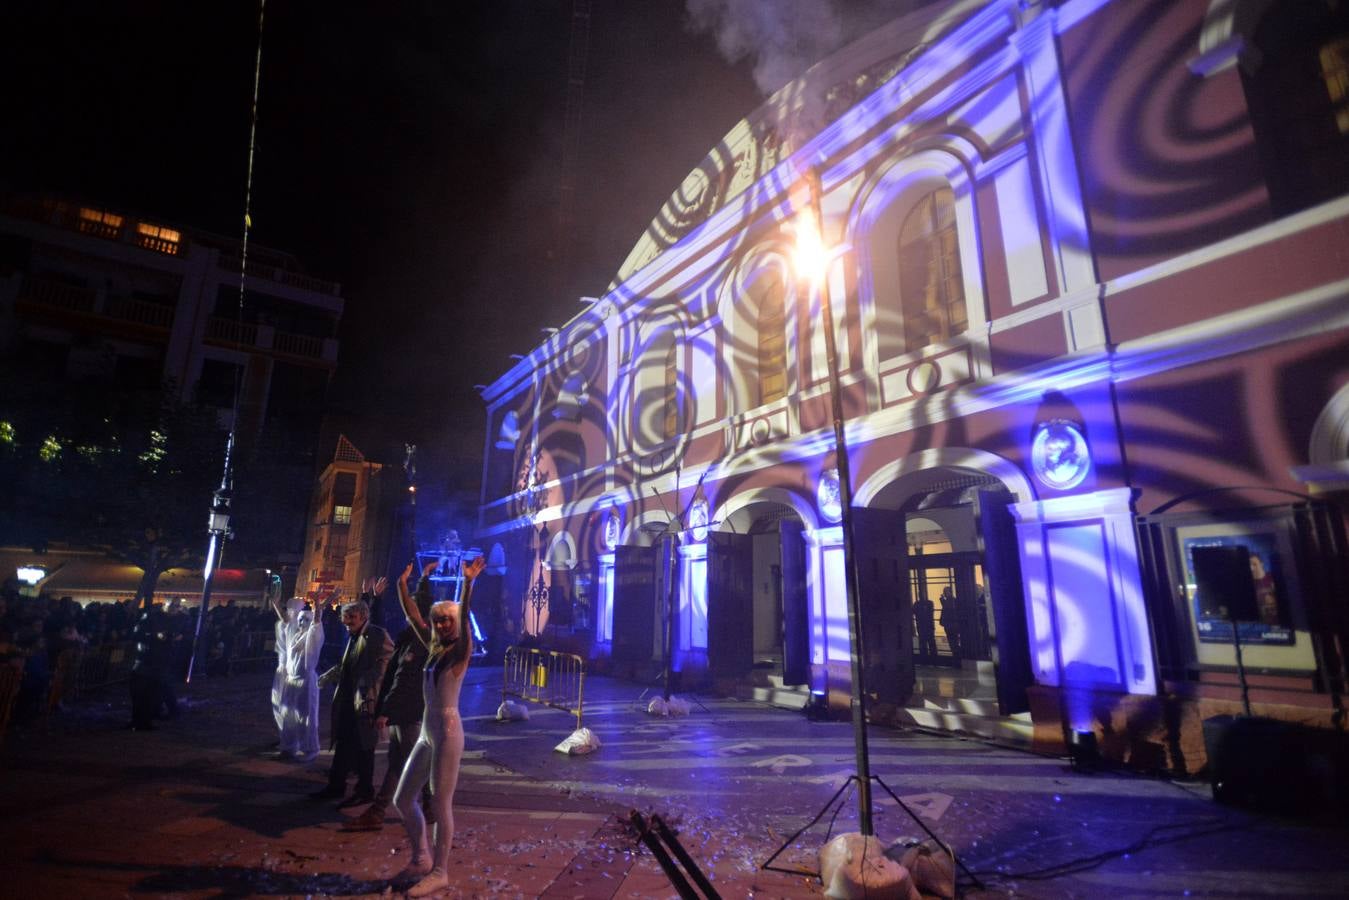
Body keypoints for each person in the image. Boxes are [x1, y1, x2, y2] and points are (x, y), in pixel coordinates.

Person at [392, 555, 486, 896]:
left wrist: (468, 583)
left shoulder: (460, 652)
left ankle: (440, 871)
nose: (442, 625)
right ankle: (421, 857)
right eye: (439, 621)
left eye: (447, 620)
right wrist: (403, 586)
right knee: (403, 799)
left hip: (447, 731)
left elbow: (463, 619)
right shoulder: (433, 650)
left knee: (441, 802)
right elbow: (414, 616)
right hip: (428, 734)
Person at [341, 575, 430, 833]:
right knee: (403, 759)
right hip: (403, 713)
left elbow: (405, 681)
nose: (405, 612)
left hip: (408, 712)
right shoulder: (406, 638)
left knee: (411, 759)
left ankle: (387, 809)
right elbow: (381, 628)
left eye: (409, 607)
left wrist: (386, 712)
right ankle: (412, 807)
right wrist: (376, 599)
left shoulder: (419, 644)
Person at [311, 597, 393, 806]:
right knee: (344, 745)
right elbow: (348, 665)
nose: (347, 621)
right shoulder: (355, 636)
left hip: (364, 703)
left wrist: (366, 682)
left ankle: (364, 790)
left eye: (351, 617)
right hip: (350, 701)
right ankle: (337, 786)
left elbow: (386, 662)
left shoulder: (375, 634)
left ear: (363, 616)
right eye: (345, 617)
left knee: (364, 749)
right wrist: (331, 675)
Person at [271, 584, 326, 761]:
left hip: (305, 681)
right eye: (300, 619)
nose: (301, 622)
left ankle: (310, 749)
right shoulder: (293, 634)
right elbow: (287, 622)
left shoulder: (313, 636)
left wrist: (318, 605)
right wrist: (275, 604)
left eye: (305, 620)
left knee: (306, 717)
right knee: (288, 715)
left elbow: (317, 622)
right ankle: (289, 747)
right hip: (290, 680)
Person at [938, 586, 961, 659]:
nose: (944, 593)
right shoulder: (953, 600)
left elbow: (947, 610)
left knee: (952, 641)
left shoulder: (949, 601)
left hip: (950, 624)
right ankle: (957, 656)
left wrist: (942, 600)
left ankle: (956, 656)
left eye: (945, 591)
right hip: (952, 624)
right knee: (954, 641)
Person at [913, 593, 937, 659]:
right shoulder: (930, 603)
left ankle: (924, 658)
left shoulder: (917, 604)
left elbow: (913, 612)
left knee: (923, 643)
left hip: (921, 626)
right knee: (931, 642)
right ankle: (934, 658)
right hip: (929, 626)